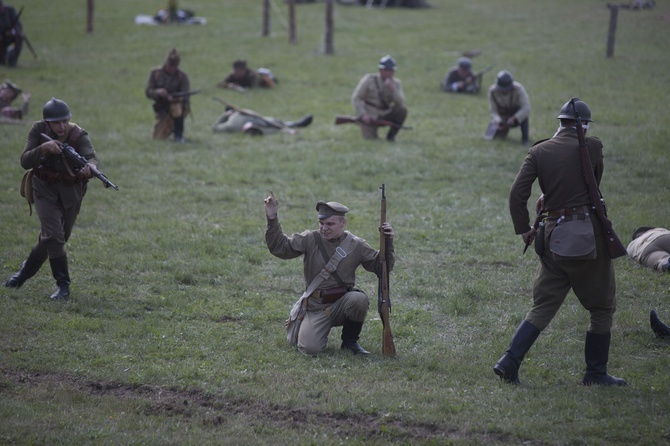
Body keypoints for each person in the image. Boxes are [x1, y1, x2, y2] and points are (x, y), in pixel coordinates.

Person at [495, 98, 627, 386]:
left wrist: (524, 229)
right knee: (602, 307)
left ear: (560, 123)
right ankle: (595, 373)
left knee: (542, 307)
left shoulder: (538, 150)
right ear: (584, 125)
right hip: (584, 239)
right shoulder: (591, 147)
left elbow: (517, 193)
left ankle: (509, 362)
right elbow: (593, 186)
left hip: (550, 235)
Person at [264, 191, 395, 355]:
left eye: (330, 224)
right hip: (315, 307)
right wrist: (272, 217)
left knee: (359, 299)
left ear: (343, 223)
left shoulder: (356, 245)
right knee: (310, 349)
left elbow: (381, 268)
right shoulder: (310, 238)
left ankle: (350, 342)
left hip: (341, 304)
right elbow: (280, 248)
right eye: (321, 223)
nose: (324, 228)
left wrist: (387, 242)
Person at [5, 98, 100, 300]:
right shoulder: (38, 130)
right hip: (43, 189)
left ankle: (24, 272)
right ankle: (63, 286)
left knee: (56, 238)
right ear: (47, 122)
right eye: (56, 122)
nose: (61, 126)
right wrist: (44, 149)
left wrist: (91, 169)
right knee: (54, 237)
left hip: (71, 193)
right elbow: (25, 161)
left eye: (65, 121)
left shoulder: (78, 134)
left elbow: (92, 157)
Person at [351, 55, 408, 142]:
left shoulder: (396, 83)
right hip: (370, 115)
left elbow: (400, 102)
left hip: (385, 113)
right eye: (386, 70)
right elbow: (357, 98)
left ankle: (391, 136)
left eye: (391, 71)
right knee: (371, 140)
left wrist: (393, 90)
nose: (388, 73)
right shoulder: (369, 80)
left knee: (402, 110)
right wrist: (363, 114)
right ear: (380, 70)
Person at [145, 48, 191, 142]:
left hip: (177, 107)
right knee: (158, 137)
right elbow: (148, 92)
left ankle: (178, 134)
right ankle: (170, 128)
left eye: (174, 66)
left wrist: (173, 98)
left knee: (176, 107)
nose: (171, 68)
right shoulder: (155, 73)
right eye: (170, 65)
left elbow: (185, 97)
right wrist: (158, 92)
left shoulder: (182, 77)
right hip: (161, 107)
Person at [483, 70, 530, 145]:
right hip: (501, 115)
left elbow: (526, 108)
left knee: (524, 117)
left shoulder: (518, 89)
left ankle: (525, 139)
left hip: (516, 114)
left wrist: (515, 117)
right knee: (491, 136)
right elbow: (493, 111)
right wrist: (498, 121)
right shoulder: (492, 91)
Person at [212, 105, 312, 136]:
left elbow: (215, 127)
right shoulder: (231, 123)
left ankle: (295, 124)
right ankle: (292, 126)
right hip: (251, 123)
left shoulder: (232, 122)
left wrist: (224, 116)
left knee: (274, 122)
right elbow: (215, 128)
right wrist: (226, 115)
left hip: (258, 119)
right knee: (272, 125)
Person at [0, 0, 23, 67]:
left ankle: (13, 61)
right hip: (1, 38)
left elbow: (18, 25)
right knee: (2, 62)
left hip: (10, 35)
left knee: (19, 36)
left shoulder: (10, 11)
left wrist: (13, 31)